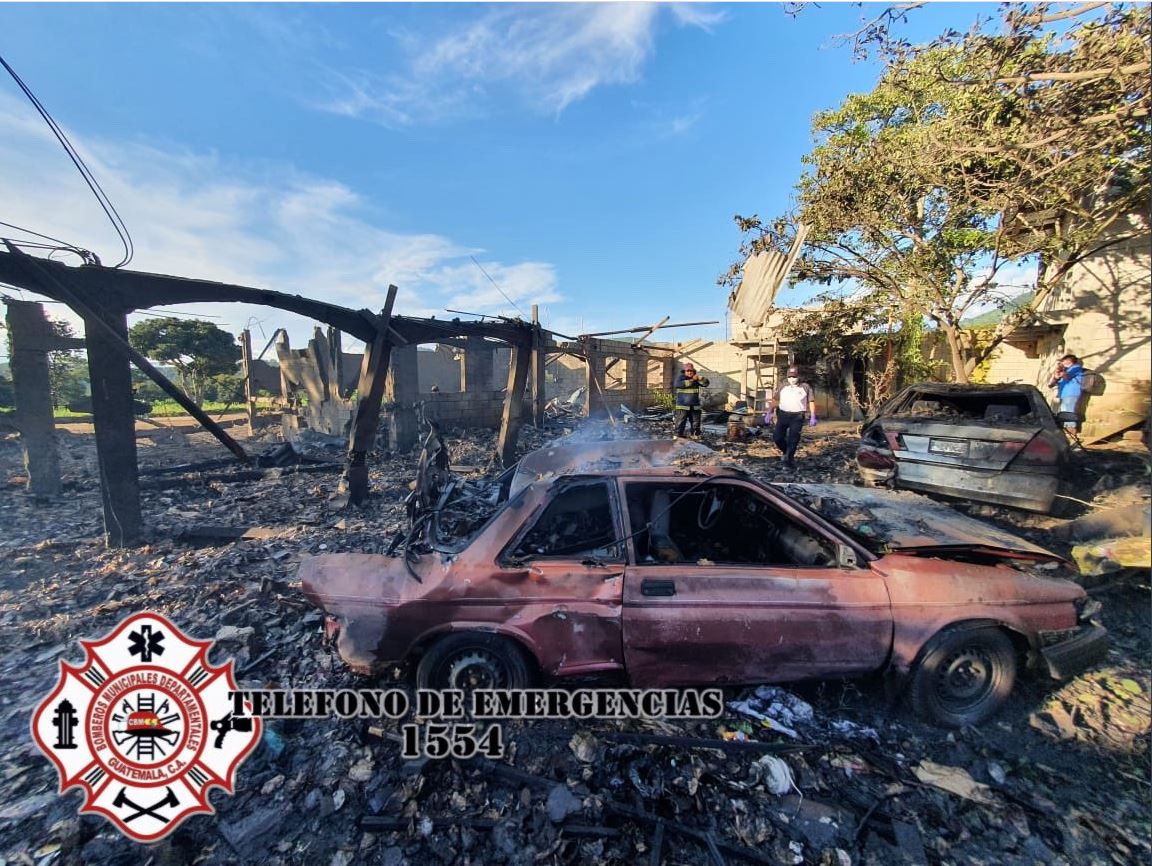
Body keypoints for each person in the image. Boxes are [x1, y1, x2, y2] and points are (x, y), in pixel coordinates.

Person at [769, 366, 817, 470]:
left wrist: (813, 416)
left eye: (794, 377)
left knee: (793, 439)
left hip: (797, 416)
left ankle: (788, 461)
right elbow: (775, 400)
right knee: (777, 437)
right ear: (787, 377)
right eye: (790, 377)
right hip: (783, 415)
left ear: (798, 376)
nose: (792, 379)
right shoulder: (782, 387)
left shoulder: (805, 387)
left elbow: (811, 401)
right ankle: (787, 452)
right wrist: (769, 412)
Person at [1048, 353, 1084, 440]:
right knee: (1064, 412)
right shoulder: (1067, 369)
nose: (1062, 362)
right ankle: (1067, 432)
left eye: (1063, 361)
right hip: (1065, 394)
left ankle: (1071, 432)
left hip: (1072, 393)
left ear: (1069, 360)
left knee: (1069, 413)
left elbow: (1066, 376)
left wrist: (1060, 370)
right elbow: (1055, 381)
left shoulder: (1075, 368)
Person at [673, 362, 709, 438]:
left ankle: (695, 438)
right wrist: (693, 380)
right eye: (688, 371)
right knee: (680, 424)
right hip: (682, 407)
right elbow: (678, 385)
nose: (689, 372)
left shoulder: (697, 379)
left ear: (693, 371)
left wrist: (701, 378)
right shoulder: (681, 378)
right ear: (684, 371)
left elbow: (706, 384)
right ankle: (676, 439)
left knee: (696, 424)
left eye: (691, 371)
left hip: (695, 407)